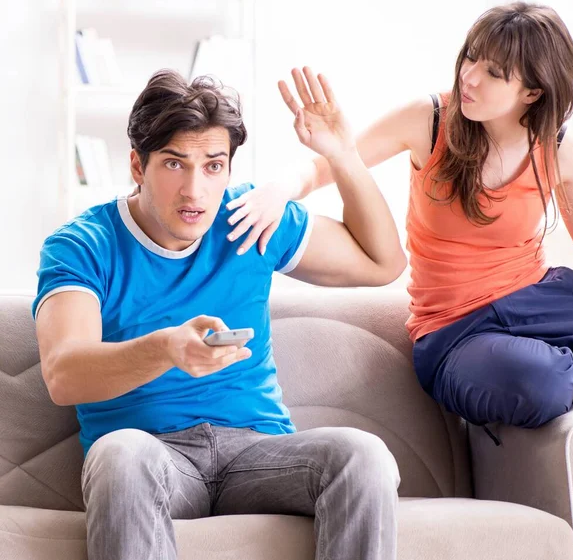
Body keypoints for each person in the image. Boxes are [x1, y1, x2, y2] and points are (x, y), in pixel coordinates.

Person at [33, 67, 405, 560]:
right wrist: (165, 348)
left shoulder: (246, 217)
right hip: (154, 456)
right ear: (137, 167)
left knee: (363, 456)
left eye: (213, 166)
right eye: (173, 164)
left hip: (258, 452)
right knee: (120, 455)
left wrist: (341, 155)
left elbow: (384, 263)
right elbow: (65, 374)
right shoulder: (84, 245)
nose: (195, 190)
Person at [226, 1, 573, 433]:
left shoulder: (557, 147)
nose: (470, 76)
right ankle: (565, 367)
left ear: (533, 93)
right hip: (457, 331)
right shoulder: (432, 120)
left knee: (551, 372)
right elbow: (332, 159)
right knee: (542, 383)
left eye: (494, 72)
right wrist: (277, 190)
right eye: (472, 56)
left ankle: (563, 362)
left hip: (542, 303)